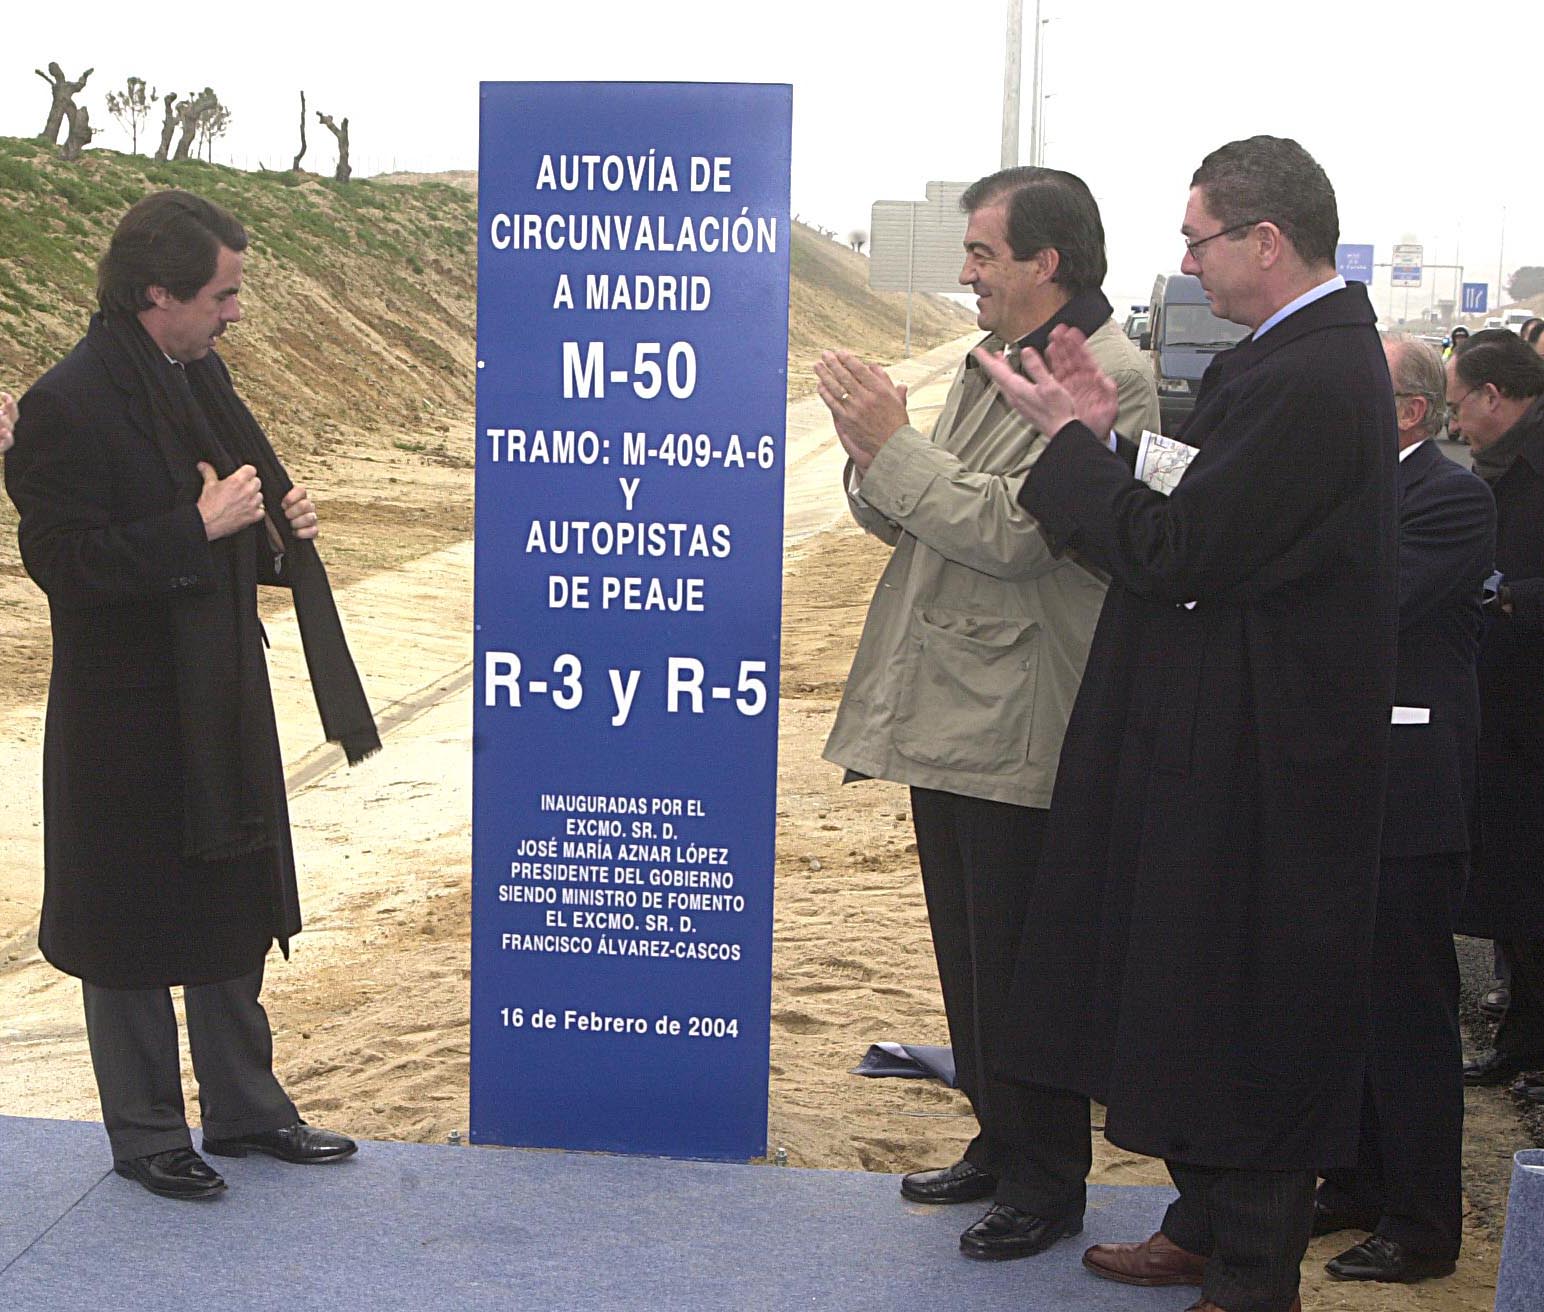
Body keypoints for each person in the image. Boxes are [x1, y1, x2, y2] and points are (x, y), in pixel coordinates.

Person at [976, 135, 1397, 1312]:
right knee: (1196, 988)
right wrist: (1105, 436)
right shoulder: (1289, 357)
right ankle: (1201, 1227)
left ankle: (1249, 1278)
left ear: (1264, 241)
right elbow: (1204, 489)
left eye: (1197, 238)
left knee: (1246, 1003)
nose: (1184, 262)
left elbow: (1177, 549)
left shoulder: (1313, 373)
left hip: (1269, 753)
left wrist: (1065, 450)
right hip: (1233, 730)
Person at [4, 190, 379, 1200]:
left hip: (216, 694)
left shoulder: (196, 376)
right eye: (221, 293)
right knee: (124, 923)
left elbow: (227, 515)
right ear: (154, 294)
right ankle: (145, 1132)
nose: (236, 312)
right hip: (123, 714)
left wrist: (269, 531)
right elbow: (63, 563)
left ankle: (247, 1112)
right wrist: (200, 528)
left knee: (229, 899)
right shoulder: (64, 403)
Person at [815, 166, 1159, 1261]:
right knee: (967, 951)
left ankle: (1049, 1177)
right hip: (948, 707)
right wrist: (872, 446)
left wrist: (895, 446)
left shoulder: (1111, 375)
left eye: (980, 254)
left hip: (1017, 713)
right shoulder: (993, 360)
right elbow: (916, 516)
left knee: (1025, 961)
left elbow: (1016, 531)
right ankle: (998, 1140)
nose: (963, 274)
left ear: (1043, 263)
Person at [1313, 335, 1493, 1283]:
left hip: (1410, 798)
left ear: (1410, 413)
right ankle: (1354, 1182)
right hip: (1346, 789)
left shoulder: (1451, 498)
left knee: (1409, 1017)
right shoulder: (1360, 491)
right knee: (1345, 1007)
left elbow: (1369, 607)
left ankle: (1423, 1225)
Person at [1447, 330, 1544, 1101]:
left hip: (1533, 704)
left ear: (1494, 397)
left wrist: (1513, 595)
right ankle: (1523, 1041)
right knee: (1516, 889)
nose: (1456, 428)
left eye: (1460, 408)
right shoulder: (1500, 468)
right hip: (1506, 704)